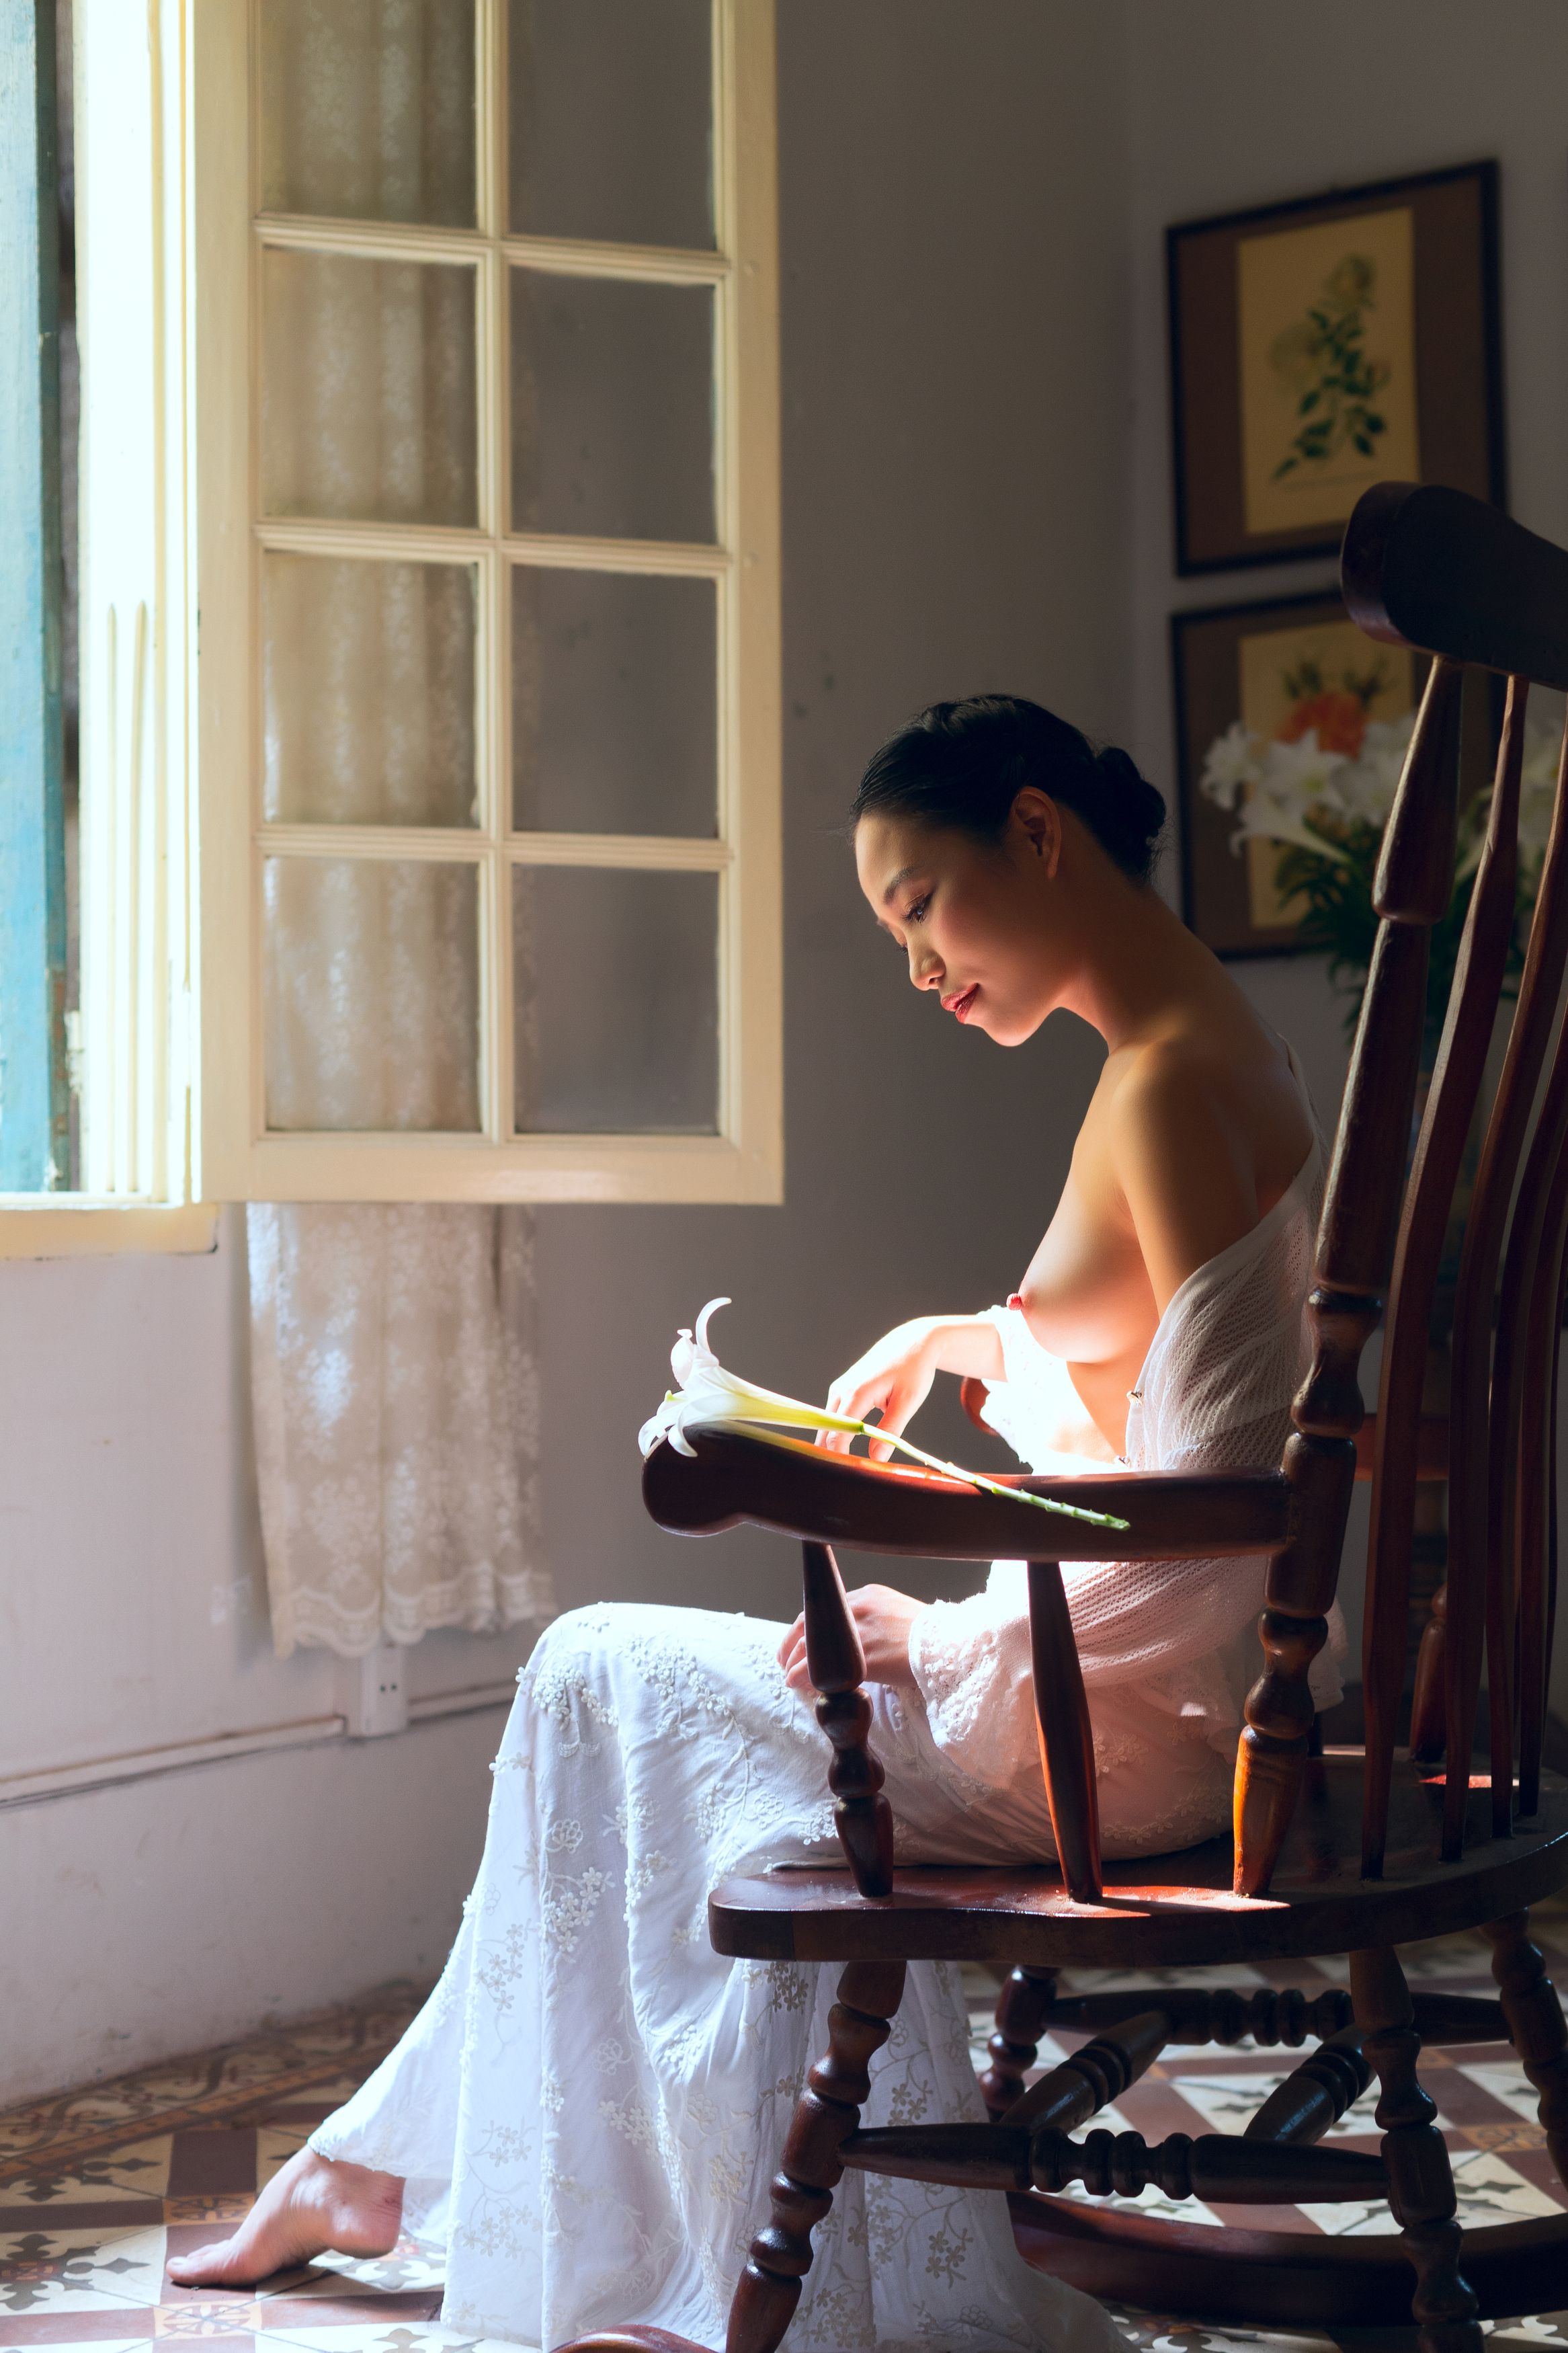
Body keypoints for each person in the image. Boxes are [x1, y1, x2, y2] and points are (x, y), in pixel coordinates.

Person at [169, 696, 1340, 2351]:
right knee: (629, 1703)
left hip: (1113, 1746)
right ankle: (394, 2171)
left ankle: (635, 2243)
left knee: (592, 1671)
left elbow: (1225, 1539)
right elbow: (1162, 1368)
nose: (918, 969)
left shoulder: (1164, 1086)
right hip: (1119, 1718)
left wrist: (945, 1639)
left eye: (920, 908)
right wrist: (972, 1338)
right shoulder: (1201, 1050)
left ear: (1035, 832)